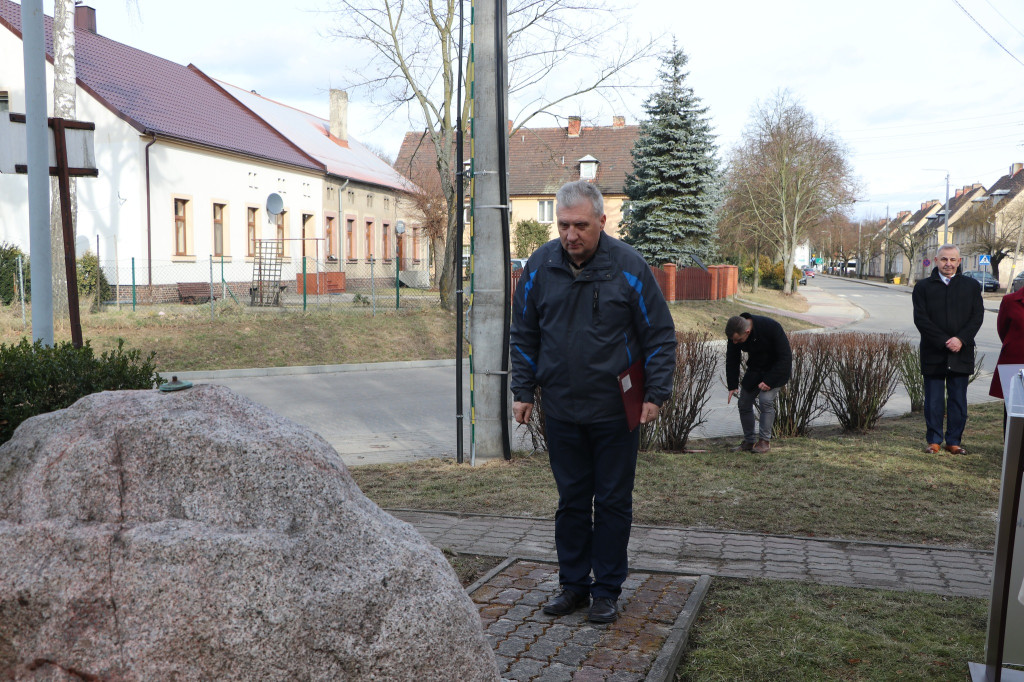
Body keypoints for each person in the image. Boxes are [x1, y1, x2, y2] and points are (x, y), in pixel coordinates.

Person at [509, 180, 676, 624]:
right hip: (561, 410)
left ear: (602, 221)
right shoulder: (540, 267)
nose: (570, 235)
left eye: (580, 225)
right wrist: (523, 391)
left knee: (615, 502)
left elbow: (659, 335)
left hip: (616, 412)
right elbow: (524, 334)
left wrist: (656, 394)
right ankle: (573, 586)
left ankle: (606, 590)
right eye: (563, 225)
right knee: (571, 503)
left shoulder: (629, 267)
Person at [912, 244, 984, 454]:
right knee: (933, 400)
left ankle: (954, 441)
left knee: (958, 400)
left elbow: (976, 317)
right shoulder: (923, 287)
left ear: (959, 262)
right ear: (936, 261)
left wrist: (960, 339)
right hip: (934, 352)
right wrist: (945, 340)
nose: (948, 264)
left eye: (953, 260)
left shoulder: (971, 286)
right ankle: (933, 440)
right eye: (944, 259)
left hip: (961, 352)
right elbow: (921, 319)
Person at [724, 313, 792, 453]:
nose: (735, 343)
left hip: (776, 370)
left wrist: (769, 381)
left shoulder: (771, 327)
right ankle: (749, 441)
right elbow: (732, 358)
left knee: (765, 400)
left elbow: (785, 357)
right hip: (756, 369)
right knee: (743, 402)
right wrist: (732, 385)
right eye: (733, 341)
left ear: (747, 332)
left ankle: (764, 442)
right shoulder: (735, 332)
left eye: (738, 340)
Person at [989, 281, 1024, 430]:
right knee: (1015, 413)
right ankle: (1013, 451)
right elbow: (1003, 331)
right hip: (1016, 362)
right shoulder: (1010, 301)